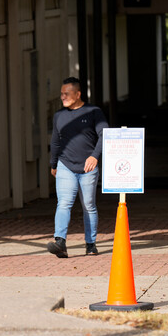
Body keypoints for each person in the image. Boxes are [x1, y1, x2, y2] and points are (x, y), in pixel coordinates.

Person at [47, 77, 109, 258]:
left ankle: (90, 244)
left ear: (78, 94)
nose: (63, 96)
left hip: (88, 167)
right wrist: (54, 163)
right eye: (61, 93)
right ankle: (60, 242)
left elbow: (104, 133)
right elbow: (55, 141)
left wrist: (94, 156)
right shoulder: (59, 115)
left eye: (66, 93)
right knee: (64, 203)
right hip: (65, 165)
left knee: (88, 206)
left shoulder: (93, 112)